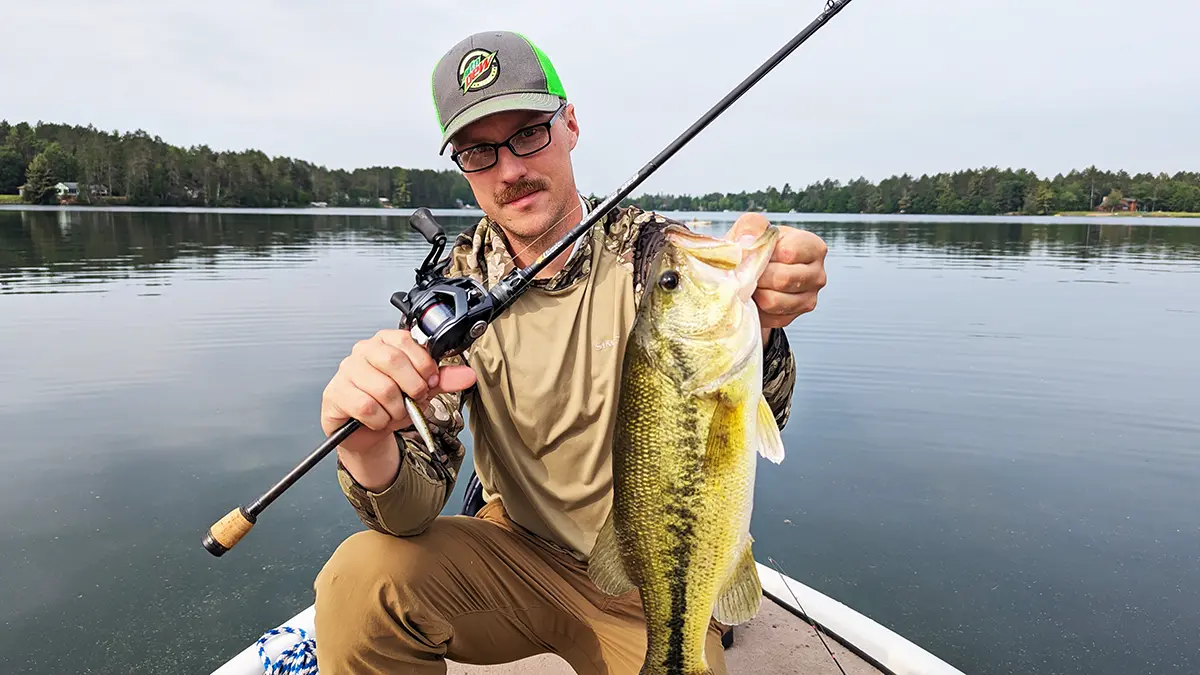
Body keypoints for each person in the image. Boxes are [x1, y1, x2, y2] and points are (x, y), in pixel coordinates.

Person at [312, 30, 829, 675]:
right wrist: (365, 446)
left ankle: (697, 625)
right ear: (460, 166)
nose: (509, 170)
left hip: (647, 583)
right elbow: (415, 509)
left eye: (529, 133)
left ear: (571, 124)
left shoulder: (656, 258)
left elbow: (761, 415)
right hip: (516, 559)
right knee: (361, 583)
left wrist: (769, 317)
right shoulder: (457, 296)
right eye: (478, 152)